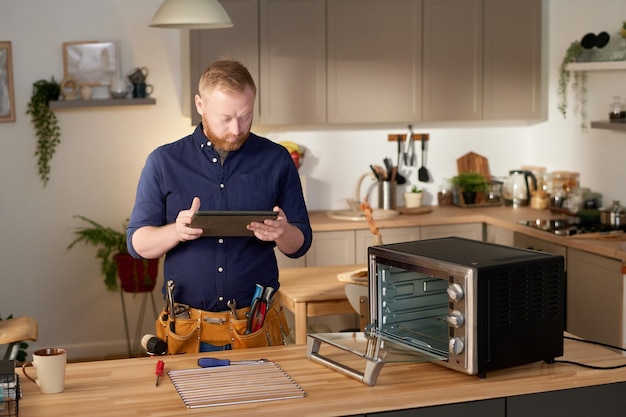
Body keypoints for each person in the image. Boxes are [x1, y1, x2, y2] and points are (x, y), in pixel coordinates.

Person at [126, 58, 312, 351]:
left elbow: (300, 243)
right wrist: (176, 231)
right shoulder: (163, 162)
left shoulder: (276, 159)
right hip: (187, 329)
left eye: (246, 116)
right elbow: (137, 244)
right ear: (200, 105)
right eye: (225, 118)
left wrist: (283, 232)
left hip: (256, 326)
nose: (236, 129)